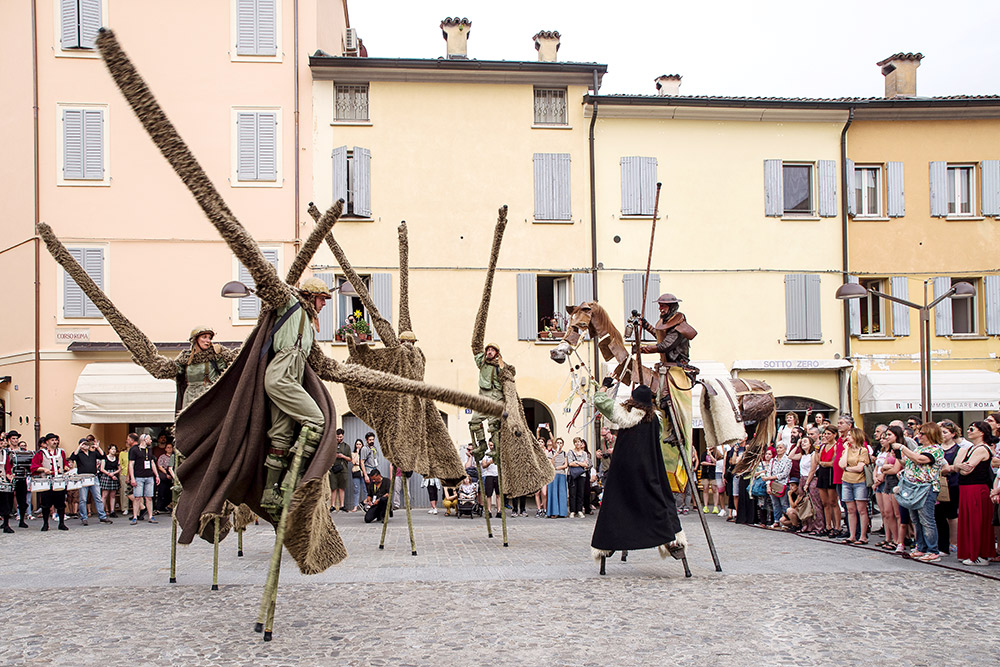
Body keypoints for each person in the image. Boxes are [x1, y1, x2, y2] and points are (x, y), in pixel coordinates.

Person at [591, 383, 686, 562]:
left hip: (624, 470)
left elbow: (599, 400)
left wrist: (604, 386)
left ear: (633, 399)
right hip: (649, 468)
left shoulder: (623, 414)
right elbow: (656, 438)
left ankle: (609, 543)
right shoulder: (656, 420)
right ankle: (670, 539)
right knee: (660, 501)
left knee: (617, 504)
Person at [259, 278, 332, 512]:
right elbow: (265, 279)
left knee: (281, 436)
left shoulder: (310, 329)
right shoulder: (289, 303)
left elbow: (323, 364)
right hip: (281, 377)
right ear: (310, 296)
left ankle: (270, 493)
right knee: (316, 420)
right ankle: (293, 478)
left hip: (291, 380)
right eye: (322, 298)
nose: (324, 304)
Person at [893, 422, 945, 562]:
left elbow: (920, 460)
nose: (919, 436)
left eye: (922, 433)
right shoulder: (919, 448)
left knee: (927, 520)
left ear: (931, 434)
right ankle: (921, 547)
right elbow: (910, 462)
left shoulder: (936, 450)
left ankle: (933, 550)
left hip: (926, 488)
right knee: (916, 520)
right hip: (912, 487)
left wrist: (903, 448)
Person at [954, 421, 997, 565]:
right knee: (968, 521)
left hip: (976, 488)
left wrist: (959, 467)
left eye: (972, 429)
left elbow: (966, 470)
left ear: (982, 432)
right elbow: (956, 466)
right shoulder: (971, 448)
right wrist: (959, 466)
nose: (969, 431)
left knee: (976, 522)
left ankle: (980, 554)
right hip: (967, 488)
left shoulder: (982, 449)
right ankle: (969, 552)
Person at [838, 427, 872, 544]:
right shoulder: (846, 450)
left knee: (861, 509)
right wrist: (846, 449)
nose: (847, 437)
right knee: (850, 509)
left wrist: (848, 468)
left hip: (859, 481)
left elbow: (859, 468)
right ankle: (852, 535)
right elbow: (841, 464)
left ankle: (863, 536)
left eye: (849, 435)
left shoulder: (863, 450)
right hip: (846, 481)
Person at [936, 420, 965, 555]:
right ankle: (942, 542)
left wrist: (947, 468)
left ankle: (954, 542)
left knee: (952, 514)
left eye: (945, 432)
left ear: (953, 434)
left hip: (952, 483)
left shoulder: (959, 449)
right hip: (938, 483)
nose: (942, 435)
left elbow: (956, 467)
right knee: (939, 514)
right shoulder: (936, 448)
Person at [30, 433, 69, 531]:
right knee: (46, 504)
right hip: (46, 482)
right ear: (47, 442)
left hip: (58, 481)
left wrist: (66, 467)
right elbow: (34, 467)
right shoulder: (40, 453)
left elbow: (65, 463)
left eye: (56, 440)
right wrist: (43, 469)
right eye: (52, 440)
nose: (55, 442)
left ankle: (61, 523)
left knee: (61, 504)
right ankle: (45, 524)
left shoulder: (61, 452)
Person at [469, 343, 504, 450]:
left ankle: (496, 449)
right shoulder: (482, 362)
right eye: (488, 350)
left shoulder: (501, 366)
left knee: (494, 425)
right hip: (483, 397)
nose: (489, 352)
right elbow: (476, 347)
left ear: (497, 353)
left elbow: (510, 376)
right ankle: (482, 444)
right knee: (474, 421)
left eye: (492, 350)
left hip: (495, 397)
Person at [70, 437, 111, 525]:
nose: (86, 446)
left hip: (93, 477)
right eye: (84, 444)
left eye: (87, 444)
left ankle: (102, 516)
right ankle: (84, 517)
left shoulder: (93, 453)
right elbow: (72, 457)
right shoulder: (79, 454)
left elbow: (103, 456)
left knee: (98, 497)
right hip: (83, 477)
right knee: (83, 499)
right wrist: (79, 447)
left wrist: (97, 447)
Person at [873, 428, 902, 551]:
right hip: (887, 482)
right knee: (887, 513)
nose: (886, 438)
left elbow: (895, 469)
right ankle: (891, 538)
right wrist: (884, 470)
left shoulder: (900, 449)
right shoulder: (888, 451)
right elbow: (882, 467)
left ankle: (898, 540)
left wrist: (885, 470)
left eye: (889, 435)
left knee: (897, 514)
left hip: (896, 482)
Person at [129, 433, 161, 525]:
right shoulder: (134, 450)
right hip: (138, 476)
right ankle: (135, 516)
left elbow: (152, 463)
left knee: (149, 497)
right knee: (137, 497)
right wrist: (132, 478)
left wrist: (156, 475)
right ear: (144, 440)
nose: (151, 441)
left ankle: (151, 516)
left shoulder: (149, 450)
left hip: (149, 476)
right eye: (149, 439)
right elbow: (131, 464)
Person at [816, 426, 841, 537]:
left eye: (828, 434)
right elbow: (818, 461)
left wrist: (824, 463)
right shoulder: (822, 447)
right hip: (822, 473)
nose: (826, 436)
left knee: (833, 501)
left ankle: (837, 526)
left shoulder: (836, 446)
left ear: (834, 434)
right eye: (825, 434)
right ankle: (828, 525)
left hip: (831, 473)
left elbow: (833, 462)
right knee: (825, 502)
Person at [763, 442, 793, 528]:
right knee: (775, 503)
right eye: (778, 447)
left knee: (784, 503)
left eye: (781, 448)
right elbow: (769, 472)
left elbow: (784, 474)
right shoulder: (773, 460)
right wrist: (768, 484)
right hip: (772, 484)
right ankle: (776, 520)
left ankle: (785, 521)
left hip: (782, 484)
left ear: (785, 449)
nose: (779, 449)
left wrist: (770, 478)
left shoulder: (788, 460)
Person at [328, 429, 352, 513]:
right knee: (333, 488)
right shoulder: (331, 445)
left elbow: (350, 459)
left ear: (343, 436)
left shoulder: (346, 446)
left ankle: (342, 505)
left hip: (343, 469)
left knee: (342, 487)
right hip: (333, 469)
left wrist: (342, 456)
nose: (339, 438)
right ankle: (332, 506)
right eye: (338, 437)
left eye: (340, 437)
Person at [567, 437, 590, 518]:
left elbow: (586, 465)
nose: (577, 444)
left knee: (580, 492)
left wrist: (576, 462)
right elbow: (570, 463)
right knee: (572, 493)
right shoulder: (570, 452)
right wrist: (581, 463)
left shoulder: (584, 453)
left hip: (581, 475)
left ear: (581, 443)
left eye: (579, 442)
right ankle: (572, 511)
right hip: (572, 474)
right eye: (576, 442)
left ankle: (579, 510)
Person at [547, 438, 568, 518]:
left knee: (562, 493)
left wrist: (559, 467)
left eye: (561, 443)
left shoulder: (564, 453)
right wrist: (554, 457)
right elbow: (551, 465)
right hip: (553, 475)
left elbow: (566, 465)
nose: (559, 444)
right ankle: (554, 512)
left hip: (561, 474)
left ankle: (562, 512)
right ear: (555, 444)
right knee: (553, 493)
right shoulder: (551, 453)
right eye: (558, 442)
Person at [154, 442, 176, 513]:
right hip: (165, 474)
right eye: (168, 447)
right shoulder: (162, 457)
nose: (170, 449)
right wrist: (166, 473)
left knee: (170, 493)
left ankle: (169, 506)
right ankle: (159, 507)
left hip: (173, 474)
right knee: (162, 492)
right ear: (165, 449)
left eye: (171, 447)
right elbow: (160, 466)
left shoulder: (174, 456)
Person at [99, 444, 121, 518]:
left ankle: (112, 510)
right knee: (104, 495)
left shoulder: (117, 459)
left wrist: (114, 474)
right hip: (106, 475)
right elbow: (102, 469)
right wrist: (109, 474)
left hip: (114, 475)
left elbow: (119, 468)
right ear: (109, 450)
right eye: (112, 449)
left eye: (114, 449)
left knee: (113, 495)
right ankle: (102, 511)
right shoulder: (105, 458)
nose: (113, 451)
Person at [481, 441, 501, 518]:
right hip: (489, 475)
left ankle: (499, 510)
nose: (491, 447)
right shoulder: (486, 454)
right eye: (489, 445)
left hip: (497, 475)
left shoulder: (498, 453)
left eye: (492, 445)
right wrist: (489, 462)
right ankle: (488, 511)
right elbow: (483, 465)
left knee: (498, 494)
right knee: (488, 495)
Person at [0, 438, 14, 533]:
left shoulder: (5, 454)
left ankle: (6, 525)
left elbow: (7, 467)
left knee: (5, 503)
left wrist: (9, 475)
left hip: (2, 480)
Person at [350, 439, 364, 512]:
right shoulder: (353, 453)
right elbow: (353, 462)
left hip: (363, 472)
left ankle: (366, 504)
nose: (358, 446)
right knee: (356, 490)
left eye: (360, 444)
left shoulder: (364, 453)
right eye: (357, 444)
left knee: (365, 489)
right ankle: (355, 506)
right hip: (356, 471)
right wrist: (357, 453)